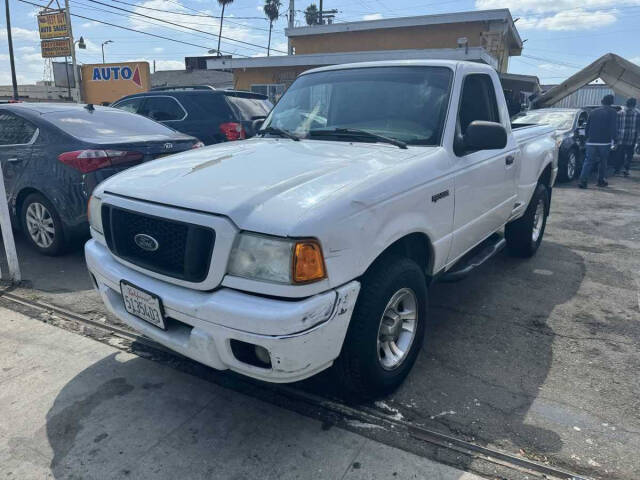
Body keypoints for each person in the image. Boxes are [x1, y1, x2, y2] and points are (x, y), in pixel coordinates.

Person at [579, 94, 618, 188]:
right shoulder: (612, 112)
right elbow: (613, 127)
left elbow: (587, 126)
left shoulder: (593, 112)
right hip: (604, 142)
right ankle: (600, 181)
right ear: (612, 102)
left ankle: (583, 182)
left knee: (588, 161)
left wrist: (586, 138)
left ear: (602, 101)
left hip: (591, 141)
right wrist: (615, 140)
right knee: (603, 162)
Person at [615, 97, 640, 177]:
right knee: (629, 155)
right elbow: (638, 126)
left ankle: (617, 170)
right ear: (634, 104)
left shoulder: (619, 113)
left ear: (626, 103)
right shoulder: (637, 113)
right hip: (632, 137)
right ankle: (626, 170)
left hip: (621, 137)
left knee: (619, 154)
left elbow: (616, 125)